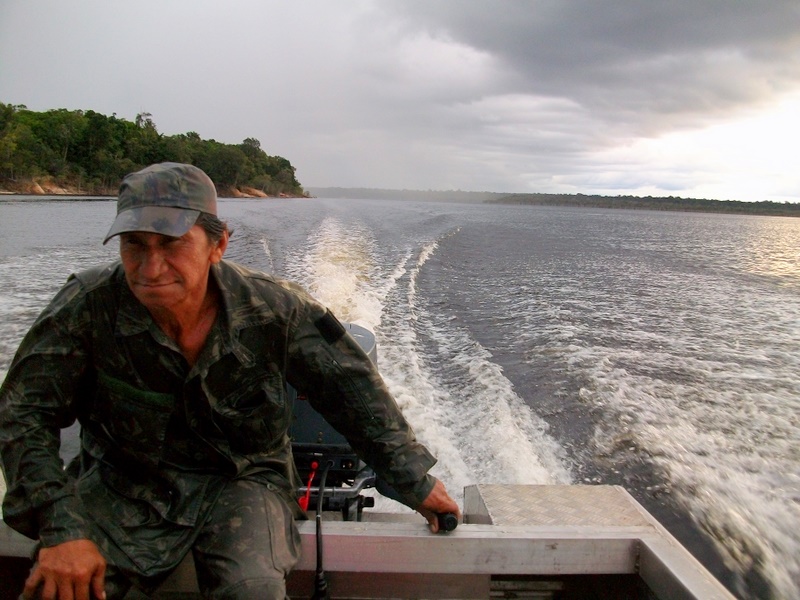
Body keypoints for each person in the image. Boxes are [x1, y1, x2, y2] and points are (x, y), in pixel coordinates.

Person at [0, 162, 460, 599]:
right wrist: (61, 527)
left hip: (243, 478)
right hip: (121, 480)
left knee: (252, 590)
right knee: (59, 588)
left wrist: (412, 482)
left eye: (172, 244)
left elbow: (352, 392)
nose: (151, 267)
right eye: (135, 245)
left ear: (218, 245)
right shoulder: (87, 306)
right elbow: (23, 414)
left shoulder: (275, 310)